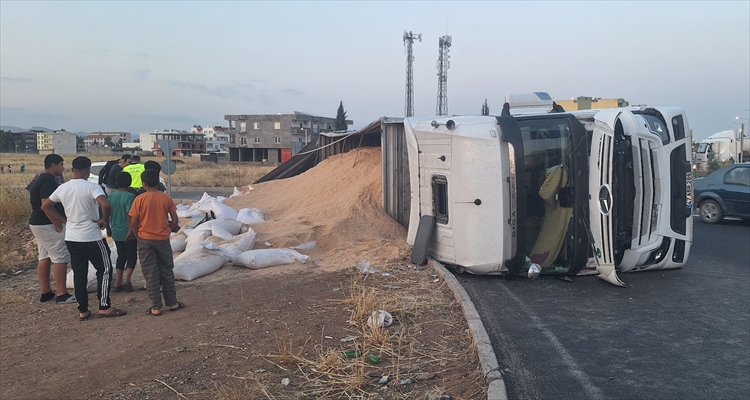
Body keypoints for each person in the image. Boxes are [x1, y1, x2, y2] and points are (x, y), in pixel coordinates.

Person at [42, 156, 127, 321]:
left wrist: (63, 220)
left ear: (73, 170)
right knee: (105, 269)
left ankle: (83, 310)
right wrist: (104, 220)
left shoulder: (63, 188)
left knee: (79, 273)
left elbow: (46, 206)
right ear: (88, 171)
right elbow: (106, 204)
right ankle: (104, 306)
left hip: (72, 237)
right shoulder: (92, 187)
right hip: (92, 237)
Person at [129, 169, 184, 316]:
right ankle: (172, 303)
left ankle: (155, 307)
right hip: (162, 239)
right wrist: (169, 229)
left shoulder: (139, 199)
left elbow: (133, 222)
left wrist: (138, 235)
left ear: (143, 183)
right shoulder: (166, 198)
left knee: (150, 273)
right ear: (158, 182)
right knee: (166, 270)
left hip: (145, 240)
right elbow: (175, 218)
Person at [28, 154, 75, 304]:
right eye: (61, 164)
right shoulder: (47, 181)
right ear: (53, 165)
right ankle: (62, 294)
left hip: (38, 223)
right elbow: (46, 206)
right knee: (61, 256)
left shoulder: (41, 178)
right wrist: (59, 224)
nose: (63, 167)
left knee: (45, 257)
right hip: (46, 224)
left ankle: (46, 292)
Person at [110, 172, 137, 292]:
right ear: (130, 183)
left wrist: (108, 228)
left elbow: (108, 214)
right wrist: (131, 230)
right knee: (131, 255)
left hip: (115, 230)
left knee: (121, 255)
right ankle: (127, 280)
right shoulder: (130, 197)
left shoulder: (111, 196)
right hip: (127, 231)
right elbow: (129, 214)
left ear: (116, 183)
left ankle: (117, 282)